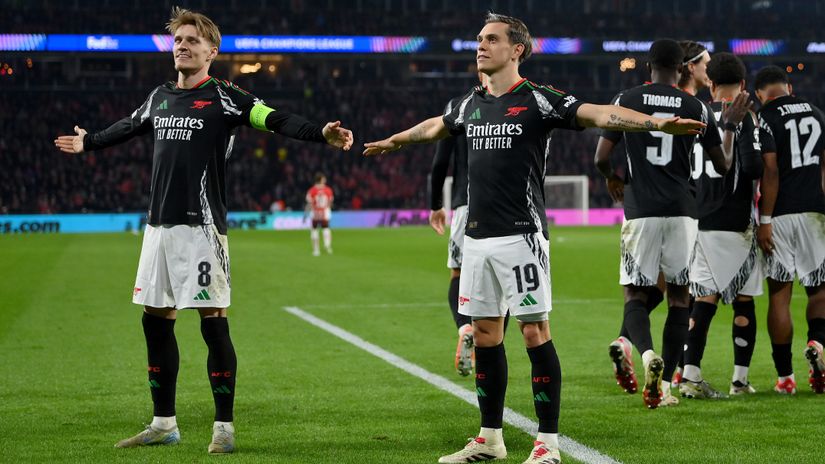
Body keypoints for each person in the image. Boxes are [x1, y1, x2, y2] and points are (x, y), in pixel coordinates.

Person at [364, 15, 705, 463]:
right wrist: (395, 141)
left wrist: (657, 124)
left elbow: (600, 113)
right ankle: (490, 439)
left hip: (521, 237)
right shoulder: (471, 103)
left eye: (491, 40)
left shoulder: (540, 100)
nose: (480, 47)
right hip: (477, 240)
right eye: (479, 40)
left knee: (533, 333)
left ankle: (549, 443)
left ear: (517, 49)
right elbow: (433, 127)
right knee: (486, 335)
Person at [54, 7, 352, 454]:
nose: (182, 46)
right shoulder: (159, 98)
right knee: (154, 322)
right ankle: (163, 423)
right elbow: (128, 126)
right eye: (178, 40)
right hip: (158, 228)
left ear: (212, 51)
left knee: (213, 325)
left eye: (192, 41)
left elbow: (275, 118)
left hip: (202, 229)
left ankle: (224, 429)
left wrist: (318, 134)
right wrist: (88, 141)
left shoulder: (226, 97)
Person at [594, 39, 748, 409]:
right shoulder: (695, 105)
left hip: (641, 209)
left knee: (636, 292)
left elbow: (602, 156)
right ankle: (662, 390)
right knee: (680, 296)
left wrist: (612, 178)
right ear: (681, 69)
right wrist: (729, 126)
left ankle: (646, 355)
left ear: (649, 65)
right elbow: (723, 165)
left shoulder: (626, 99)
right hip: (683, 213)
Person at [680, 52, 763, 399]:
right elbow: (755, 167)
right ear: (742, 85)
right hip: (736, 218)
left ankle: (690, 374)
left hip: (700, 217)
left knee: (704, 298)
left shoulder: (695, 114)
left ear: (710, 85)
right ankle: (739, 381)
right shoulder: (744, 117)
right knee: (744, 299)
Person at [755, 65, 825, 395]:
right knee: (819, 290)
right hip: (816, 212)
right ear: (789, 86)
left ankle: (786, 377)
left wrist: (764, 220)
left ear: (758, 93)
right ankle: (818, 343)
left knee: (780, 295)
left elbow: (770, 170)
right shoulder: (816, 112)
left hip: (780, 213)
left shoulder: (764, 118)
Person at [306, 172, 334, 256]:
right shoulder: (328, 190)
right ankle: (327, 245)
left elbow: (309, 202)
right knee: (326, 228)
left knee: (314, 230)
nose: (325, 179)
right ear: (321, 179)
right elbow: (330, 201)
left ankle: (316, 250)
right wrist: (327, 208)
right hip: (325, 212)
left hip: (315, 212)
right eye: (324, 178)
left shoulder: (312, 190)